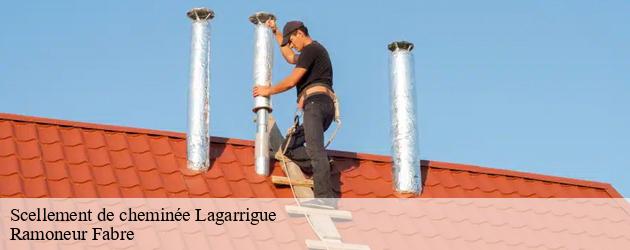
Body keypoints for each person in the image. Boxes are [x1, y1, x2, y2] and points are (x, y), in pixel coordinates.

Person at [252, 20, 340, 206]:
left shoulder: (312, 49)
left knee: (315, 148)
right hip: (316, 105)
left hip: (317, 104)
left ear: (300, 33)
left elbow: (292, 80)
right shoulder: (309, 53)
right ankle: (325, 164)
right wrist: (277, 34)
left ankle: (325, 199)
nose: (291, 45)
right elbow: (290, 57)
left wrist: (268, 90)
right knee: (287, 148)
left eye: (291, 40)